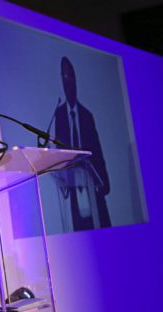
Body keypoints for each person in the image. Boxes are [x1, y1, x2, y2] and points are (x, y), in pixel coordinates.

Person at [54, 57, 112, 231]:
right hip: (75, 190)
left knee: (104, 235)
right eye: (64, 78)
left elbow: (98, 154)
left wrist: (104, 185)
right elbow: (60, 152)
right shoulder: (60, 116)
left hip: (94, 186)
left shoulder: (87, 116)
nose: (68, 83)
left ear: (75, 80)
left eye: (70, 77)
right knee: (84, 237)